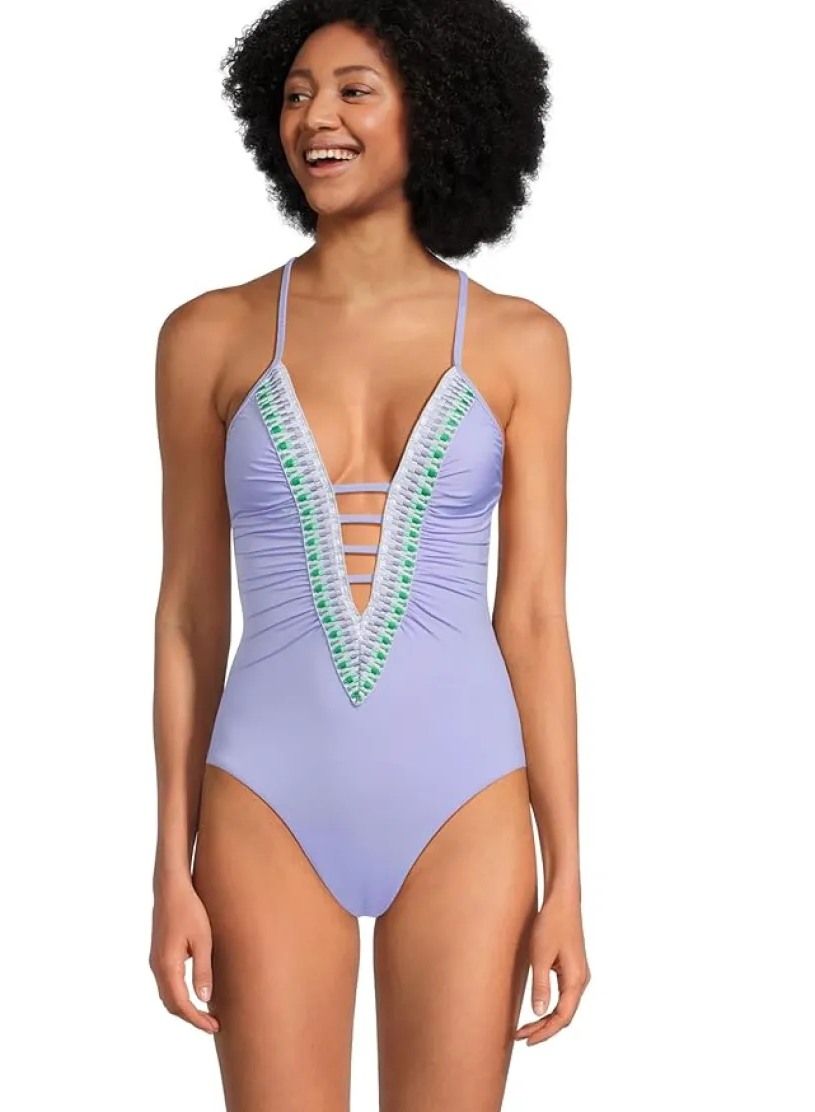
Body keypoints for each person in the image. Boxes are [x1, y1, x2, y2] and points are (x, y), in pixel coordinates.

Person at [149, 0, 590, 1106]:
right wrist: (167, 858)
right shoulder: (207, 336)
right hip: (263, 799)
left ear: (432, 111)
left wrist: (569, 874)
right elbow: (189, 614)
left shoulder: (521, 342)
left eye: (354, 90)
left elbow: (534, 617)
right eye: (296, 93)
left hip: (467, 800)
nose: (316, 118)